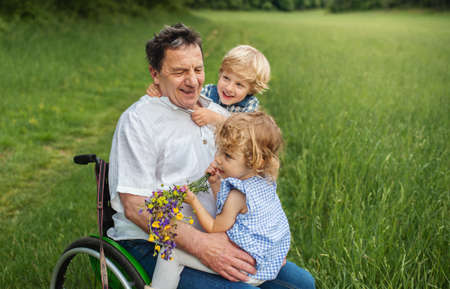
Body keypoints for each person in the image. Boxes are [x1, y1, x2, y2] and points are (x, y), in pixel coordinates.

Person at [108, 22, 315, 289]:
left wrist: (266, 240)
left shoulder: (219, 114)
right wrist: (201, 244)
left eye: (198, 69)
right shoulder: (139, 121)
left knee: (302, 284)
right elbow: (136, 208)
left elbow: (251, 177)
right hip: (153, 243)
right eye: (179, 71)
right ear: (155, 74)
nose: (192, 80)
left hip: (221, 232)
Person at [151, 112, 290, 289]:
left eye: (228, 156)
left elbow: (215, 227)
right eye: (220, 150)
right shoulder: (265, 182)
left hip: (245, 268)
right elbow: (230, 215)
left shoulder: (238, 195)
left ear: (256, 162)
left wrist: (193, 201)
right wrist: (216, 185)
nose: (217, 158)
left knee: (170, 251)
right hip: (268, 260)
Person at [146, 44, 270, 126]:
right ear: (220, 73)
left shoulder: (250, 105)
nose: (229, 88)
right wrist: (162, 90)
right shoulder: (209, 91)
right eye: (226, 78)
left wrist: (218, 119)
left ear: (251, 89)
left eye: (239, 85)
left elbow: (246, 131)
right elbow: (185, 99)